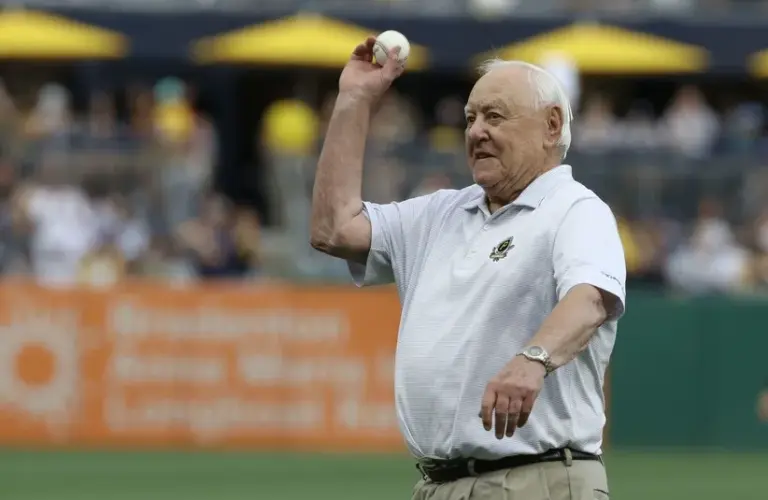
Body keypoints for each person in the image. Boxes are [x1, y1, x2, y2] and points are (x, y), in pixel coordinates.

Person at [310, 36, 626, 500]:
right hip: (439, 485)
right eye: (471, 118)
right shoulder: (439, 213)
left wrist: (534, 359)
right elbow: (333, 229)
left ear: (551, 125)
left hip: (538, 479)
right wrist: (354, 100)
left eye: (494, 116)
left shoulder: (575, 208)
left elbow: (590, 299)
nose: (476, 131)